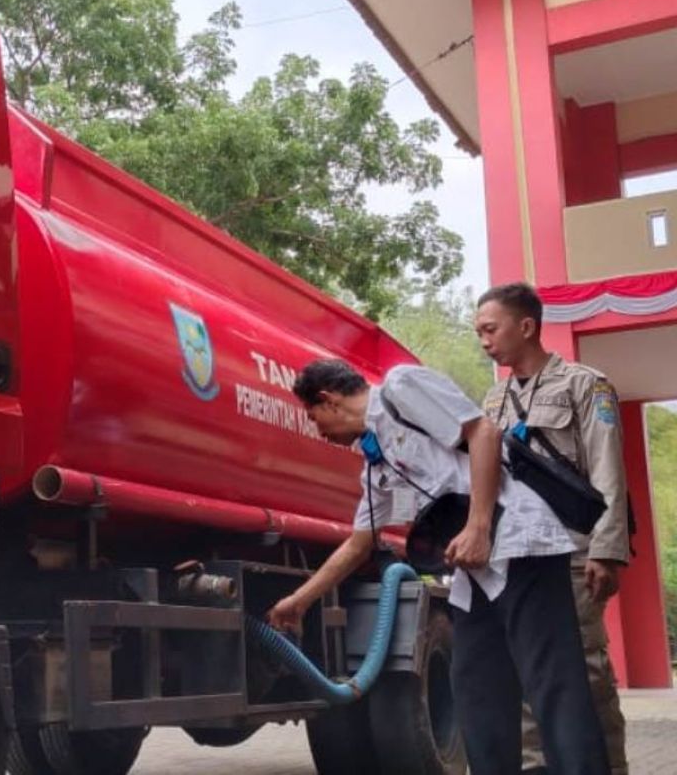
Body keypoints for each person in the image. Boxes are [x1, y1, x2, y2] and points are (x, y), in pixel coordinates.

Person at [268, 359, 610, 775]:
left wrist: (478, 526)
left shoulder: (401, 386)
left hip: (521, 543)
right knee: (475, 687)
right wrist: (300, 602)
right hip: (476, 572)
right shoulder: (376, 462)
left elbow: (483, 431)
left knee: (553, 683)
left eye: (313, 415)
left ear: (329, 399)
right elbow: (360, 544)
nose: (316, 428)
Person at [475, 282, 631, 775]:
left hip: (574, 553)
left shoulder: (586, 385)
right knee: (526, 672)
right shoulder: (493, 399)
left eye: (490, 329)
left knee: (583, 672)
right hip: (518, 559)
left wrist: (608, 550)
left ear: (526, 326)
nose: (484, 341)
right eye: (478, 332)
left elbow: (607, 469)